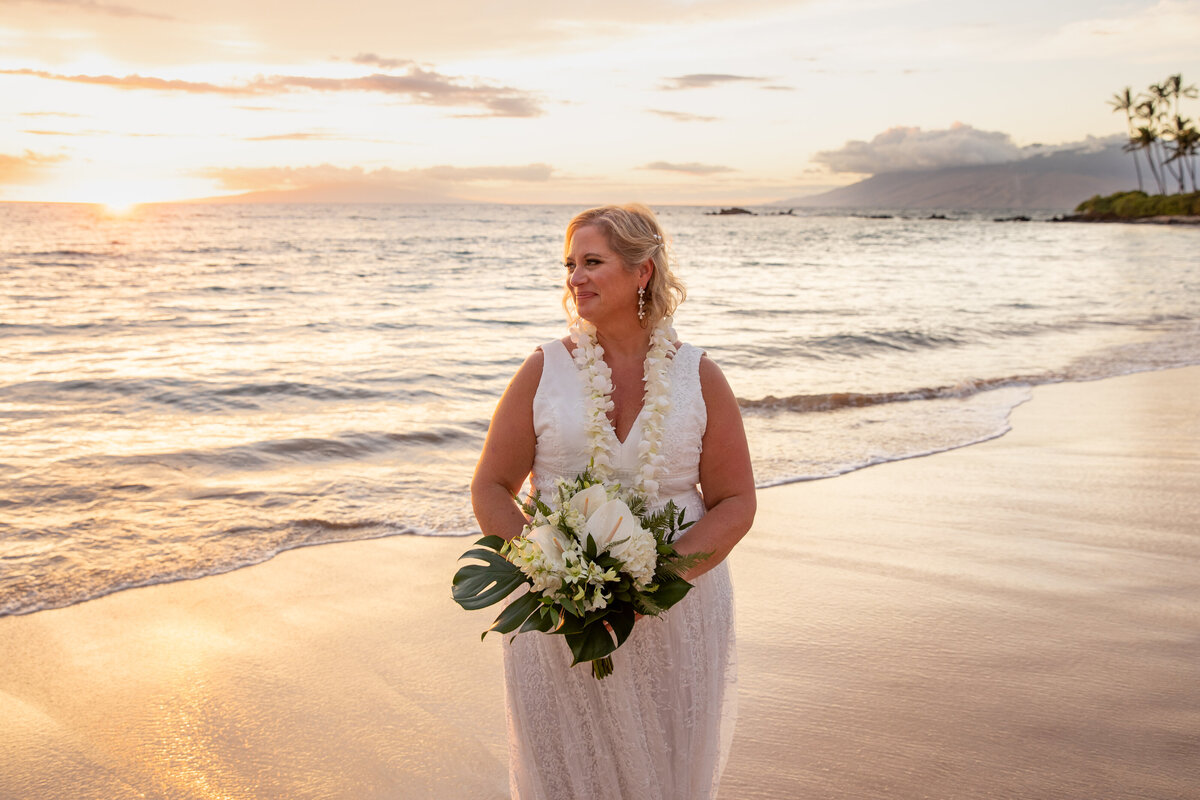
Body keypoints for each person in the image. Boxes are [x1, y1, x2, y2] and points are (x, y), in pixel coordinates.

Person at [471, 203, 756, 800]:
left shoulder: (698, 376)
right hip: (559, 617)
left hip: (677, 615)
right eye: (570, 264)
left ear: (642, 271)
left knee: (664, 770)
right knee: (566, 771)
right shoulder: (543, 370)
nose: (575, 277)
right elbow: (491, 487)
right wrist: (552, 571)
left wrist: (653, 585)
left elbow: (734, 501)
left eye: (592, 262)